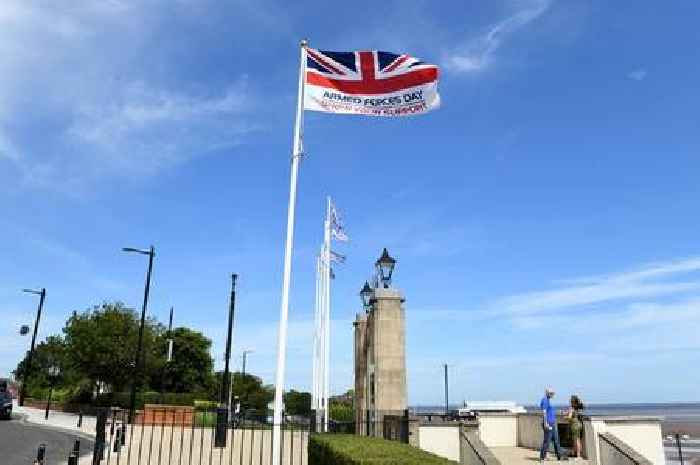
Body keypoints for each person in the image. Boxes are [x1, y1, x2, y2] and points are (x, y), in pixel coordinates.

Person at [540, 387, 562, 462]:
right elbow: (544, 413)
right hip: (548, 423)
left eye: (553, 393)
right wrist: (546, 423)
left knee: (556, 440)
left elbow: (550, 411)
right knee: (547, 441)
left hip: (553, 423)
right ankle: (542, 457)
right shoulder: (545, 400)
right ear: (547, 393)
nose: (553, 395)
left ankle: (559, 456)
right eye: (551, 393)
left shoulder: (548, 400)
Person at [567, 395, 585, 460]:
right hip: (580, 424)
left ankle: (578, 455)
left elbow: (569, 417)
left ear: (572, 401)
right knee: (579, 440)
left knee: (576, 440)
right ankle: (576, 454)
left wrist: (566, 417)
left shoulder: (572, 408)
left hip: (574, 425)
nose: (569, 402)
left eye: (570, 400)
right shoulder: (579, 407)